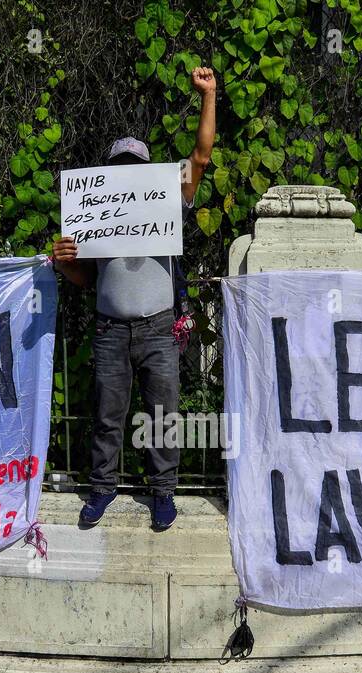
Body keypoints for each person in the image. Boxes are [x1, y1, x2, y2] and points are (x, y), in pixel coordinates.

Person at [51, 65, 217, 532]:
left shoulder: (168, 200)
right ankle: (102, 488)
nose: (127, 178)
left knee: (164, 414)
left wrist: (209, 95)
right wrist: (63, 260)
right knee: (108, 413)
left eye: (135, 171)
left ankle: (163, 493)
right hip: (109, 329)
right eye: (120, 170)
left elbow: (201, 157)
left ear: (148, 175)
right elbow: (85, 278)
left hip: (158, 328)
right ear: (109, 174)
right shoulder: (94, 210)